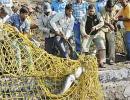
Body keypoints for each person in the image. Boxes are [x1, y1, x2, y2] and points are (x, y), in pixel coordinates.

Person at [100, 0, 117, 65]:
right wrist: (110, 25)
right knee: (102, 41)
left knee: (112, 41)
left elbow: (118, 13)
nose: (110, 9)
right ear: (106, 6)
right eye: (109, 8)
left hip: (110, 29)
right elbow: (102, 21)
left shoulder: (115, 8)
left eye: (111, 8)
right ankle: (103, 60)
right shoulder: (102, 9)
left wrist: (115, 24)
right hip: (102, 28)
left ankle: (111, 59)